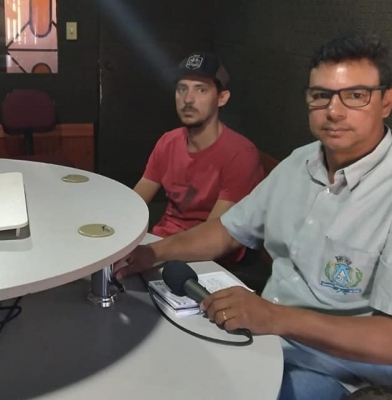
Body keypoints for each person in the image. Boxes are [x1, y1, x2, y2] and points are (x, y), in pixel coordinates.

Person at [116, 32, 392, 399]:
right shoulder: (299, 162)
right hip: (265, 336)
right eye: (320, 95)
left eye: (355, 95)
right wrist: (151, 253)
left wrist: (275, 317)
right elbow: (227, 230)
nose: (334, 111)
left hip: (336, 367)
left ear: (386, 102)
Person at [133, 51, 263, 267]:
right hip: (162, 244)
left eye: (201, 90)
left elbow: (214, 236)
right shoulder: (168, 141)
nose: (188, 99)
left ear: (222, 98)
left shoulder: (241, 154)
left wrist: (154, 253)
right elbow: (136, 201)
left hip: (210, 257)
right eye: (182, 89)